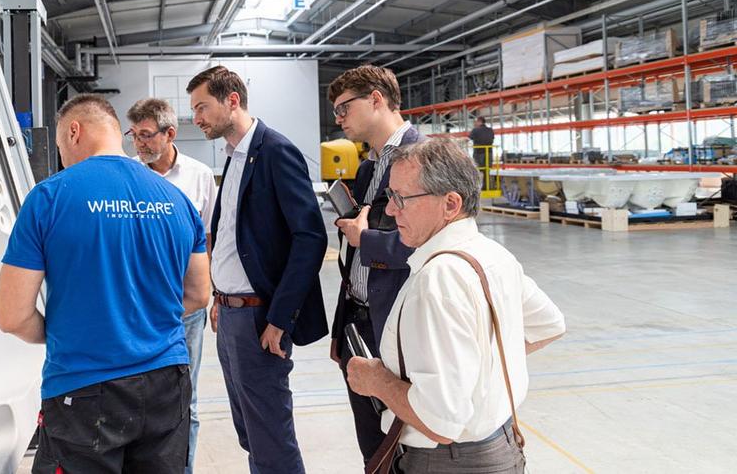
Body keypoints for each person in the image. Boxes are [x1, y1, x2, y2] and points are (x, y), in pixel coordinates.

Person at [0, 94, 211, 474]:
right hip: (167, 381)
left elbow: (12, 316)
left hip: (84, 385)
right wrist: (143, 322)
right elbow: (198, 294)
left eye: (60, 145)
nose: (62, 157)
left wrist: (64, 332)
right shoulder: (177, 200)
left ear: (74, 131)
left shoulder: (49, 198)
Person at [346, 138, 566, 473]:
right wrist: (478, 370)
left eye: (401, 198)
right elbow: (548, 324)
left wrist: (377, 381)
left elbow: (439, 421)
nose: (390, 210)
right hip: (500, 445)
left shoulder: (440, 278)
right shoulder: (492, 254)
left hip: (449, 462)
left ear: (450, 204)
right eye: (390, 196)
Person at [186, 65, 328, 474]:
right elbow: (232, 235)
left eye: (202, 107)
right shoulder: (234, 156)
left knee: (270, 441)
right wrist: (219, 296)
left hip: (260, 316)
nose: (197, 118)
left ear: (232, 100)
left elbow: (310, 237)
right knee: (250, 432)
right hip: (230, 313)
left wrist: (280, 319)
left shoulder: (276, 151)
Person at [326, 65, 425, 465]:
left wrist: (364, 239)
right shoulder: (370, 166)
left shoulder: (423, 156)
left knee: (405, 445)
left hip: (399, 327)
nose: (339, 119)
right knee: (373, 444)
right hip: (359, 321)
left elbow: (429, 243)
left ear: (376, 99)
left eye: (344, 108)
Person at [126, 97, 217, 474]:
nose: (139, 143)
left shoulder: (199, 176)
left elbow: (209, 240)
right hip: (137, 308)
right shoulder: (128, 175)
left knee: (185, 403)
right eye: (134, 135)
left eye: (147, 135)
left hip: (186, 309)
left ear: (170, 134)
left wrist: (212, 296)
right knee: (132, 400)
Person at [469, 116, 495, 188]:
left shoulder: (475, 130)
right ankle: (487, 186)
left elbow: (469, 138)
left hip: (479, 153)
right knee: (487, 171)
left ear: (480, 121)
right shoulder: (490, 130)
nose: (475, 123)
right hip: (489, 153)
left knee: (477, 171)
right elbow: (492, 139)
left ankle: (477, 187)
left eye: (476, 122)